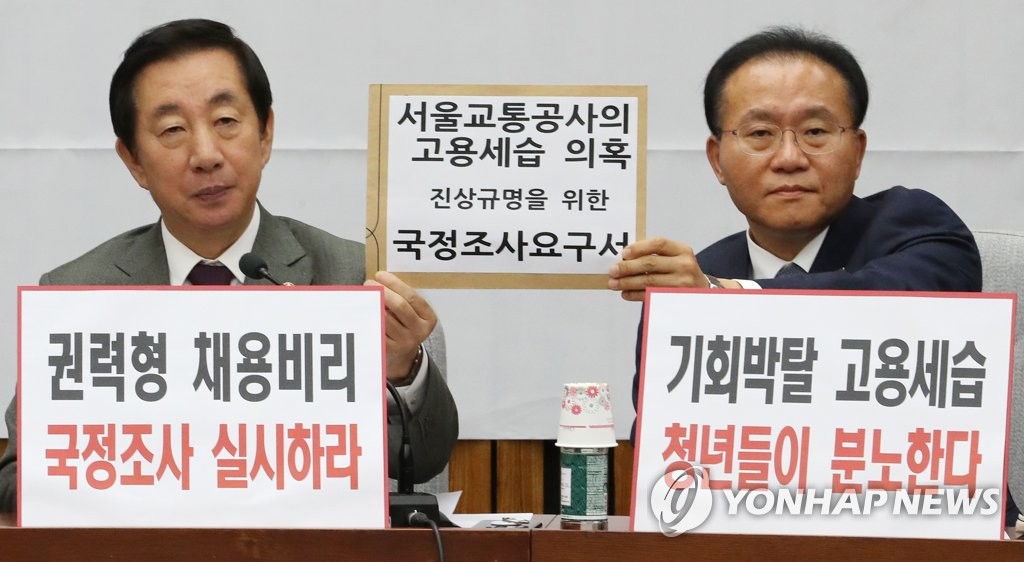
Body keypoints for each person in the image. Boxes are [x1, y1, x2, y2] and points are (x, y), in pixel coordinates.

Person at [0, 18, 458, 511]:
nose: (205, 154)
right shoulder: (79, 294)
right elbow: (15, 479)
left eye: (225, 121)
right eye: (173, 130)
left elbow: (423, 464)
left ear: (265, 133)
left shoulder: (355, 279)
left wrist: (402, 370)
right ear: (133, 160)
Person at [608, 26, 1000, 516]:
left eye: (815, 132)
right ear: (717, 160)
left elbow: (896, 307)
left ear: (857, 151)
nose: (789, 158)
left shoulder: (916, 227)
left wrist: (720, 298)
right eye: (760, 134)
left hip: (930, 530)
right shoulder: (696, 281)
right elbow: (666, 451)